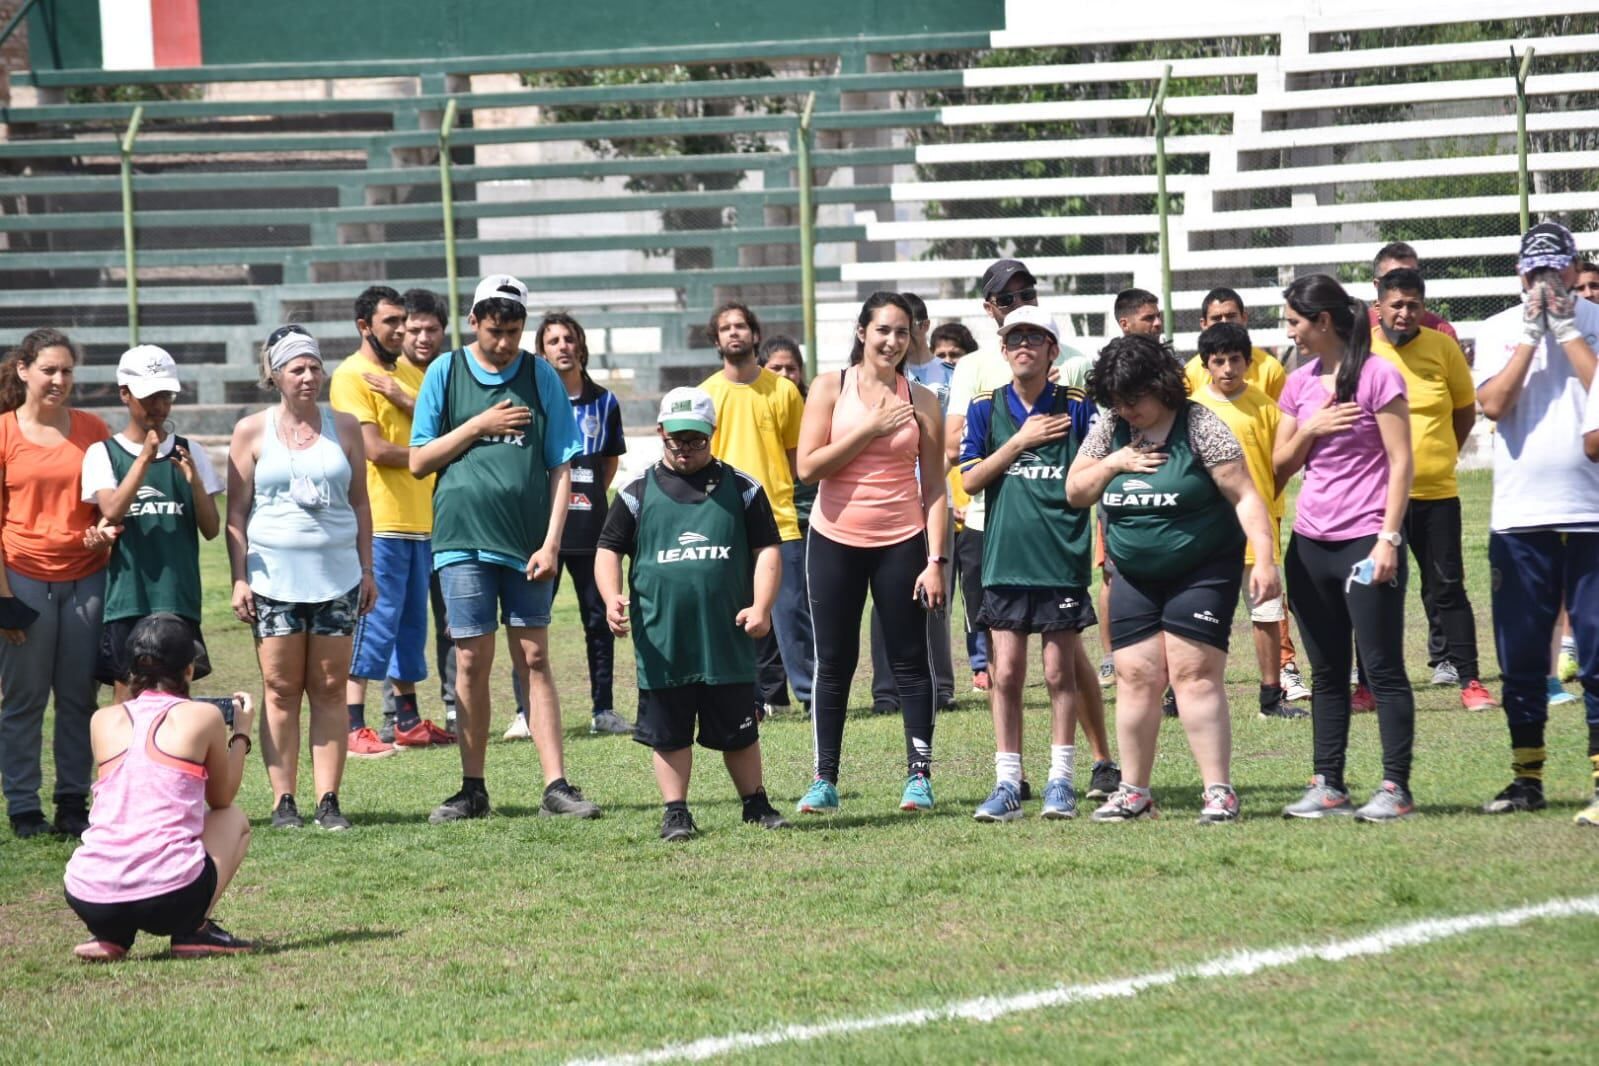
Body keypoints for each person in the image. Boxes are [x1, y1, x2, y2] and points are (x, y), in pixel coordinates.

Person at [409, 274, 600, 823]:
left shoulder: (541, 375)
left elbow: (563, 465)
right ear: (474, 322)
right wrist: (479, 424)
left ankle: (556, 786)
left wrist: (552, 542)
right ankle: (473, 788)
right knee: (471, 660)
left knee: (535, 658)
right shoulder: (445, 372)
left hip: (527, 547)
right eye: (495, 331)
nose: (504, 343)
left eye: (515, 331)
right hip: (462, 540)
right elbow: (420, 460)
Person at [1066, 335, 1280, 824]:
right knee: (1135, 676)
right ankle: (1134, 793)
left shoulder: (1200, 424)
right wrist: (1114, 463)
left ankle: (1219, 792)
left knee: (1193, 675)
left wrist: (1265, 560)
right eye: (1116, 399)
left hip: (1202, 570)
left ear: (1160, 386)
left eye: (1133, 398)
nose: (1126, 409)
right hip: (1134, 574)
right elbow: (1075, 492)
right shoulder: (1110, 427)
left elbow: (1246, 496)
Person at [947, 260, 1120, 801]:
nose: (1024, 345)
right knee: (1006, 673)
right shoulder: (985, 406)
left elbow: (1098, 472)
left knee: (1059, 672)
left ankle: (1061, 779)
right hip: (1002, 556)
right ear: (1003, 349)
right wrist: (1019, 442)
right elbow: (969, 479)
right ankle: (1005, 782)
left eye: (1035, 338)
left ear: (1053, 351)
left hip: (1060, 559)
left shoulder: (1077, 406)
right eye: (1014, 337)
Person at [594, 387, 790, 840]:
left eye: (697, 440)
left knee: (740, 729)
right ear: (660, 433)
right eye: (676, 440)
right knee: (669, 732)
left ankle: (755, 803)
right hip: (664, 638)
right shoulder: (636, 492)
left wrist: (761, 606)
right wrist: (611, 598)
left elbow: (767, 551)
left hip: (725, 638)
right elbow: (608, 549)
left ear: (712, 434)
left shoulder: (742, 489)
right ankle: (676, 811)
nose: (686, 449)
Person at [795, 292, 948, 814]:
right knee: (834, 662)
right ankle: (823, 778)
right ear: (863, 332)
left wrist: (936, 560)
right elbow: (809, 468)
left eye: (902, 332)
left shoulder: (924, 399)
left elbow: (935, 487)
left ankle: (919, 776)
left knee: (910, 660)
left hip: (902, 542)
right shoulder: (828, 387)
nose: (892, 341)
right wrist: (868, 429)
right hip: (834, 540)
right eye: (883, 330)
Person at [1273, 274, 1416, 823]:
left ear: (1323, 321)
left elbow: (1402, 462)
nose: (1290, 331)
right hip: (1310, 546)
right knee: (1327, 671)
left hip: (1366, 541)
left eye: (1294, 322)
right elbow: (1280, 466)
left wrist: (1389, 537)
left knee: (1380, 670)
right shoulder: (1299, 382)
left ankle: (1395, 788)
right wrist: (1311, 427)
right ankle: (1328, 784)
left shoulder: (1379, 374)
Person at [1472, 222, 1599, 825]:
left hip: (1591, 513)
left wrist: (1570, 330)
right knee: (1522, 655)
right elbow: (1494, 405)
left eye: (1555, 273)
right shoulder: (1498, 329)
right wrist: (1529, 335)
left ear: (1575, 271)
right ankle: (1527, 777)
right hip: (1520, 518)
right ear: (1519, 276)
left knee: (1597, 653)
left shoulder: (1597, 322)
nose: (1544, 286)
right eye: (1533, 275)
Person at [227, 326, 377, 832]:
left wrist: (368, 569)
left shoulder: (347, 427)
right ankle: (283, 800)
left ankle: (328, 800)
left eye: (314, 366)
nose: (309, 376)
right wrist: (239, 577)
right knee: (280, 688)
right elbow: (236, 514)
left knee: (332, 688)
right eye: (297, 368)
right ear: (275, 374)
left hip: (338, 578)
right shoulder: (251, 430)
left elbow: (360, 502)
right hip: (272, 582)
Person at [62, 614, 254, 960]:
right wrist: (241, 733)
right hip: (170, 895)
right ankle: (192, 931)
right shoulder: (204, 716)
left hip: (88, 893)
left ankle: (110, 936)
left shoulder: (102, 720)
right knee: (234, 819)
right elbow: (222, 798)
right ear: (189, 671)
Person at [0, 329, 113, 839]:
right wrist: (3, 598)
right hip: (22, 579)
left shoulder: (93, 429)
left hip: (86, 580)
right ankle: (24, 808)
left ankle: (73, 802)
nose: (59, 380)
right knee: (24, 700)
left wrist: (102, 534)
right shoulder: (4, 432)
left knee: (78, 699)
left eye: (67, 371)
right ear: (23, 370)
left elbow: (108, 509)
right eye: (49, 369)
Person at [1370, 267, 1494, 709]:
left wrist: (1441, 455)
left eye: (1413, 305)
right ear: (1378, 304)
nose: (1405, 314)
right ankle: (1369, 685)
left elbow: (1464, 412)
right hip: (1378, 500)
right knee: (1377, 589)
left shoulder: (1443, 347)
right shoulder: (1362, 351)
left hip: (1437, 494)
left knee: (1448, 587)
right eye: (1397, 305)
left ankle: (1471, 682)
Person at [509, 311, 632, 738]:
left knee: (598, 620)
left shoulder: (605, 402)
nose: (561, 346)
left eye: (568, 339)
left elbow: (608, 465)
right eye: (552, 340)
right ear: (540, 351)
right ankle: (525, 714)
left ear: (580, 346)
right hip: (540, 534)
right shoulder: (531, 400)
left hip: (590, 532)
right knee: (528, 620)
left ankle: (604, 710)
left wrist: (587, 501)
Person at [82, 346, 224, 706]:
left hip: (178, 598)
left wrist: (193, 483)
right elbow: (111, 510)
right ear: (124, 393)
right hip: (128, 599)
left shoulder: (190, 453)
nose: (158, 406)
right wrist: (145, 456)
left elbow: (211, 529)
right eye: (149, 396)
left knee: (176, 697)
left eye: (165, 395)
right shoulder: (103, 453)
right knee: (127, 697)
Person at [330, 285, 437, 759]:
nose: (400, 330)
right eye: (390, 322)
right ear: (364, 326)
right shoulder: (351, 376)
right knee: (374, 620)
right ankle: (354, 725)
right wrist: (432, 453)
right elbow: (372, 449)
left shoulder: (412, 374)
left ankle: (408, 719)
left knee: (412, 624)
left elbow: (448, 422)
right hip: (379, 519)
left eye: (403, 321)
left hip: (420, 518)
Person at [699, 302, 813, 718]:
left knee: (791, 616)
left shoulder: (783, 392)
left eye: (741, 326)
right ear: (716, 340)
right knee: (730, 618)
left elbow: (799, 461)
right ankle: (748, 697)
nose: (734, 333)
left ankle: (812, 696)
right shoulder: (705, 395)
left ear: (755, 335)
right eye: (726, 328)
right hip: (721, 523)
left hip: (779, 521)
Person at [1187, 323, 1305, 720]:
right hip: (1205, 535)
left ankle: (1271, 697)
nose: (1227, 368)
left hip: (1256, 531)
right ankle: (1181, 694)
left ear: (1247, 362)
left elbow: (1280, 465)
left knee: (1267, 614)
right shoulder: (1192, 409)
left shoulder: (1265, 407)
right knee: (1199, 616)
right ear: (1205, 366)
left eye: (1234, 359)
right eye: (1218, 361)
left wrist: (1269, 504)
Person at [870, 291, 957, 715]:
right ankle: (886, 691)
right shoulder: (880, 378)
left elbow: (952, 443)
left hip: (937, 499)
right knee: (886, 599)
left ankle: (940, 685)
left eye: (911, 325)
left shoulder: (946, 375)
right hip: (893, 502)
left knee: (937, 594)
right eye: (887, 329)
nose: (901, 336)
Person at [932, 322, 992, 691]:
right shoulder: (931, 406)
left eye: (956, 355)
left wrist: (967, 506)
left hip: (973, 517)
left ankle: (981, 664)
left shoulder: (980, 401)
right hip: (941, 518)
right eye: (942, 356)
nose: (949, 362)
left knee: (976, 597)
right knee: (940, 601)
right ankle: (940, 677)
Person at [759, 335, 816, 716]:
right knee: (764, 608)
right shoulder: (758, 405)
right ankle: (770, 695)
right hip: (770, 519)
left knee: (797, 608)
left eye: (790, 368)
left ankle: (813, 693)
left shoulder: (814, 408)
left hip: (811, 518)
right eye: (776, 368)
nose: (784, 374)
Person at [1182, 288, 1287, 400]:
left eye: (1231, 316)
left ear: (1244, 318)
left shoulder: (1270, 369)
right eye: (1216, 318)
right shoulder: (1190, 373)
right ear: (1204, 324)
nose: (1224, 323)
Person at [1367, 241, 1458, 341]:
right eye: (1394, 276)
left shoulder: (1442, 333)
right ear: (1377, 285)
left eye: (1412, 274)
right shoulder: (1359, 330)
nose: (1405, 280)